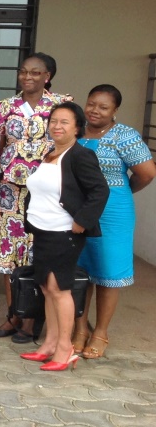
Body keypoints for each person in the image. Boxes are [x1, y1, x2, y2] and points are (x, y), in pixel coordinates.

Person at [19, 103, 108, 371]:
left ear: (77, 128)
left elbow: (99, 191)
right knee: (47, 288)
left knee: (60, 289)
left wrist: (82, 220)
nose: (57, 126)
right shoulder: (50, 153)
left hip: (64, 232)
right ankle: (48, 344)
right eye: (54, 121)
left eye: (65, 122)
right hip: (43, 230)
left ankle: (65, 349)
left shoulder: (80, 155)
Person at [0, 53, 70, 343]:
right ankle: (14, 315)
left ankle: (33, 319)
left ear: (47, 76)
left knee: (39, 254)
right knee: (10, 253)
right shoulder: (5, 107)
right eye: (24, 72)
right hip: (11, 192)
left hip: (48, 192)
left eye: (36, 73)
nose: (28, 77)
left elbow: (71, 145)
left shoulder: (61, 104)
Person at [73, 85, 155, 359]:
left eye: (103, 107)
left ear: (115, 111)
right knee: (79, 272)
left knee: (108, 273)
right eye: (92, 104)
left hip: (113, 212)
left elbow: (146, 173)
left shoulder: (125, 136)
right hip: (78, 210)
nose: (95, 110)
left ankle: (101, 332)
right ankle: (81, 328)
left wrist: (122, 192)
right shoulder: (77, 131)